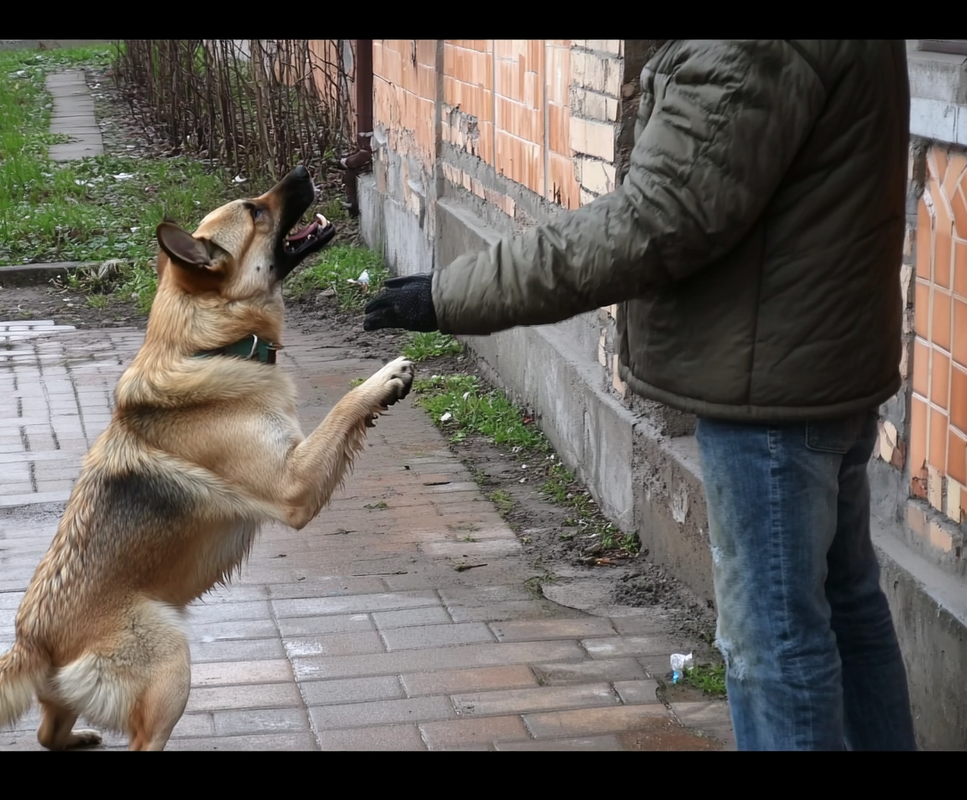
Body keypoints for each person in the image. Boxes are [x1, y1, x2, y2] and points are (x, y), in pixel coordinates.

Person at [362, 40, 917, 751]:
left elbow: (650, 223)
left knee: (773, 646)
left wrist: (453, 294)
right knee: (846, 611)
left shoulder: (749, 49)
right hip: (819, 371)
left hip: (771, 400)